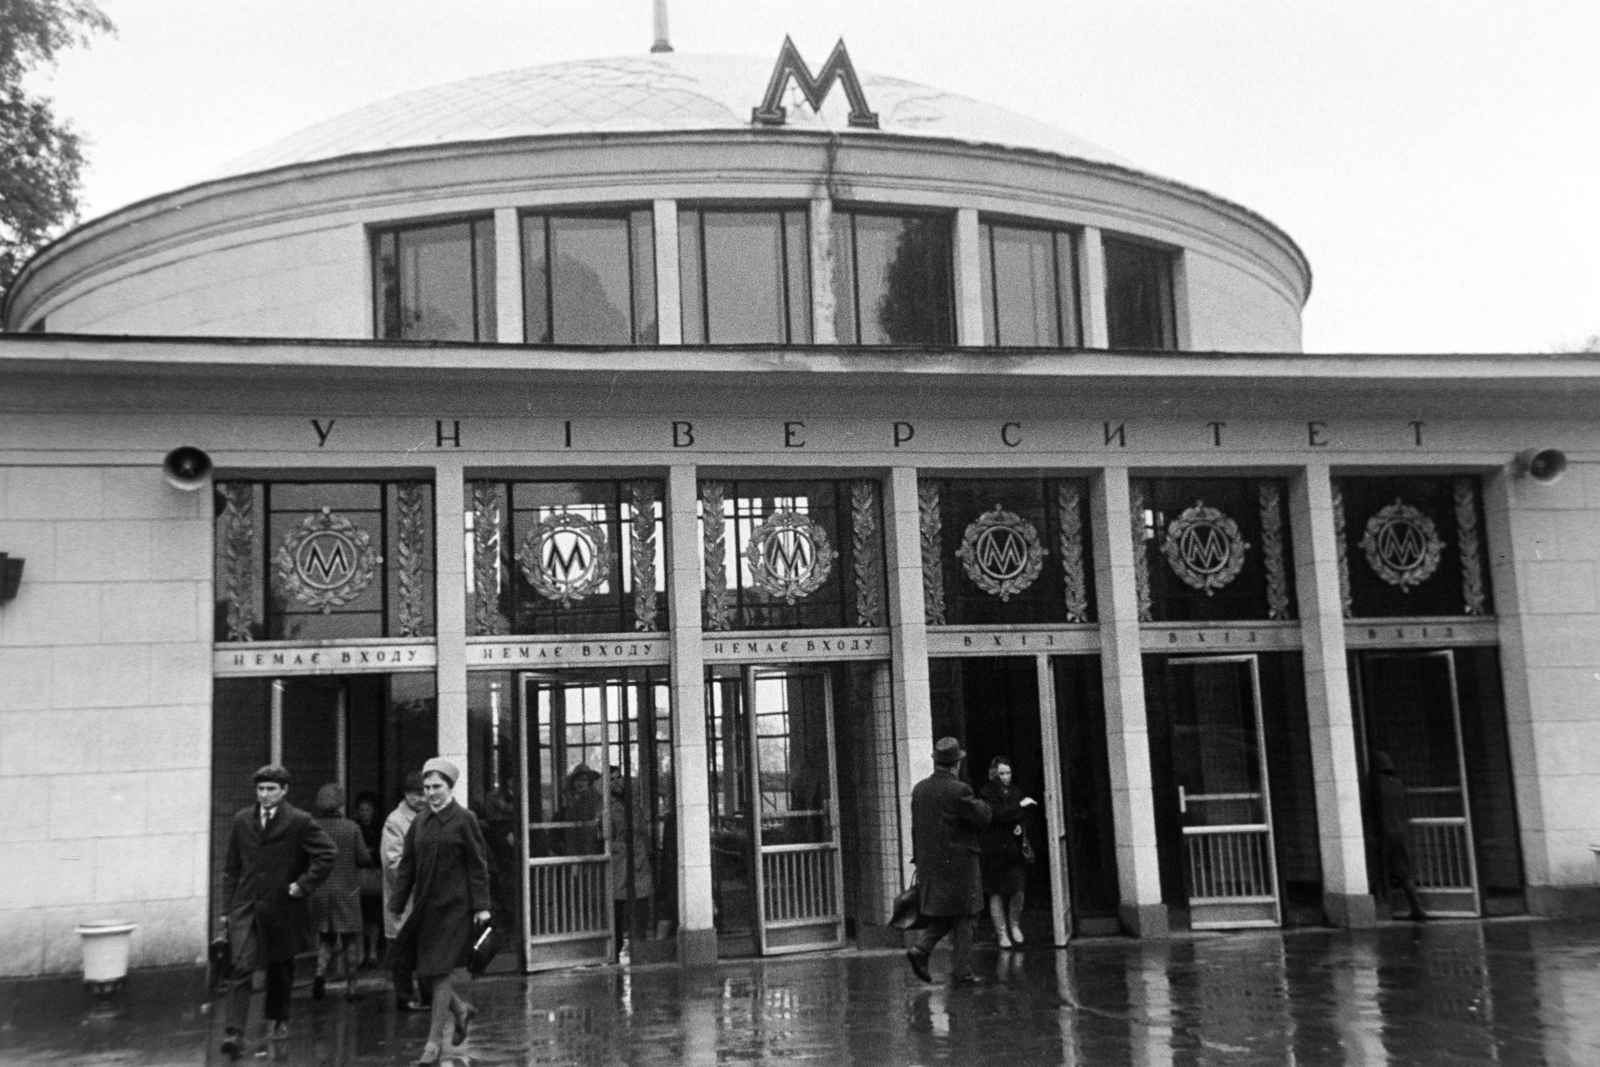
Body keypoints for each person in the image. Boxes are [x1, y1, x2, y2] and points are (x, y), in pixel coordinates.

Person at [218, 764, 335, 1059]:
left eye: (271, 789)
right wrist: (226, 910)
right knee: (242, 966)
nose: (265, 795)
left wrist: (303, 885)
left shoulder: (299, 821)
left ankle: (280, 1019)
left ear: (284, 791)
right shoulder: (243, 820)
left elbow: (326, 854)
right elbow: (231, 869)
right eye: (260, 789)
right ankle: (235, 1032)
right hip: (246, 906)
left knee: (280, 967)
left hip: (283, 907)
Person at [390, 758, 492, 1065]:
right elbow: (406, 866)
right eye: (427, 787)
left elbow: (478, 865)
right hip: (426, 908)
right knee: (428, 972)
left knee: (440, 971)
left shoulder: (464, 819)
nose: (431, 793)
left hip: (455, 908)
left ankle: (432, 1045)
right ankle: (461, 1010)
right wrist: (397, 904)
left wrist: (482, 907)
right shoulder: (420, 821)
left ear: (450, 787)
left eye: (437, 787)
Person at [906, 737, 992, 987]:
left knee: (945, 914)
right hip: (960, 865)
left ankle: (920, 950)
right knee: (968, 915)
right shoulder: (959, 790)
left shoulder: (920, 789)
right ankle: (962, 973)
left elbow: (916, 828)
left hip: (930, 864)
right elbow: (982, 817)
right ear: (956, 764)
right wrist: (984, 804)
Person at [309, 783, 372, 999]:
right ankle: (352, 987)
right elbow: (364, 858)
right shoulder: (351, 827)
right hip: (347, 890)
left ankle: (319, 974)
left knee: (325, 938)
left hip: (320, 890)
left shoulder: (313, 827)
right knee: (349, 940)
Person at [976, 756, 1038, 947]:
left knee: (1018, 891)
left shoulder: (1016, 791)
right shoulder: (986, 792)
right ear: (994, 773)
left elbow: (1024, 816)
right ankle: (1001, 932)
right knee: (996, 893)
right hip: (994, 850)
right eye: (1002, 773)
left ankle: (1014, 924)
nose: (1005, 777)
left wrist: (1020, 824)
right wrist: (1019, 808)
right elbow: (997, 815)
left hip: (1013, 849)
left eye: (1008, 772)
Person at [382, 772, 428, 1010]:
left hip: (425, 896)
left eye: (425, 793)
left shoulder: (430, 816)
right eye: (418, 794)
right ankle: (406, 997)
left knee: (427, 948)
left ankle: (426, 996)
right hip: (408, 896)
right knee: (404, 949)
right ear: (406, 795)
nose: (423, 799)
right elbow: (393, 863)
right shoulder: (396, 821)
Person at [1374, 752, 1427, 921]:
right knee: (1403, 871)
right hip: (1399, 832)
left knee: (1379, 871)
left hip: (1381, 833)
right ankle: (1417, 907)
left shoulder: (1373, 783)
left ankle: (1382, 909)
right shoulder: (1397, 783)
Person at [608, 767, 655, 955]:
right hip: (619, 859)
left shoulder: (633, 803)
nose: (617, 782)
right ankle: (616, 945)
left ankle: (639, 945)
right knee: (618, 905)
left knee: (641, 903)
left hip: (638, 857)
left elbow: (642, 828)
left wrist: (647, 849)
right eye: (612, 779)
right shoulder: (606, 805)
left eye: (619, 777)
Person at [354, 790, 384, 968]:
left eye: (368, 810)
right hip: (357, 877)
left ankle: (372, 953)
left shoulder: (380, 829)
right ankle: (360, 954)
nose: (365, 813)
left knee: (373, 916)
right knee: (358, 917)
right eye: (362, 810)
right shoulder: (354, 827)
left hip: (374, 876)